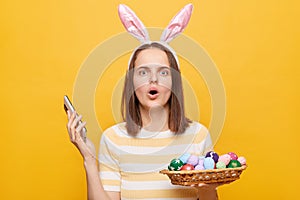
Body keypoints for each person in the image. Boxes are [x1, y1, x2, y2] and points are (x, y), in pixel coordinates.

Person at [66, 4, 226, 200]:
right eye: (143, 72)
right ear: (131, 82)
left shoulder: (198, 136)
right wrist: (89, 159)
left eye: (163, 72)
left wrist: (207, 188)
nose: (153, 80)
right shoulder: (113, 139)